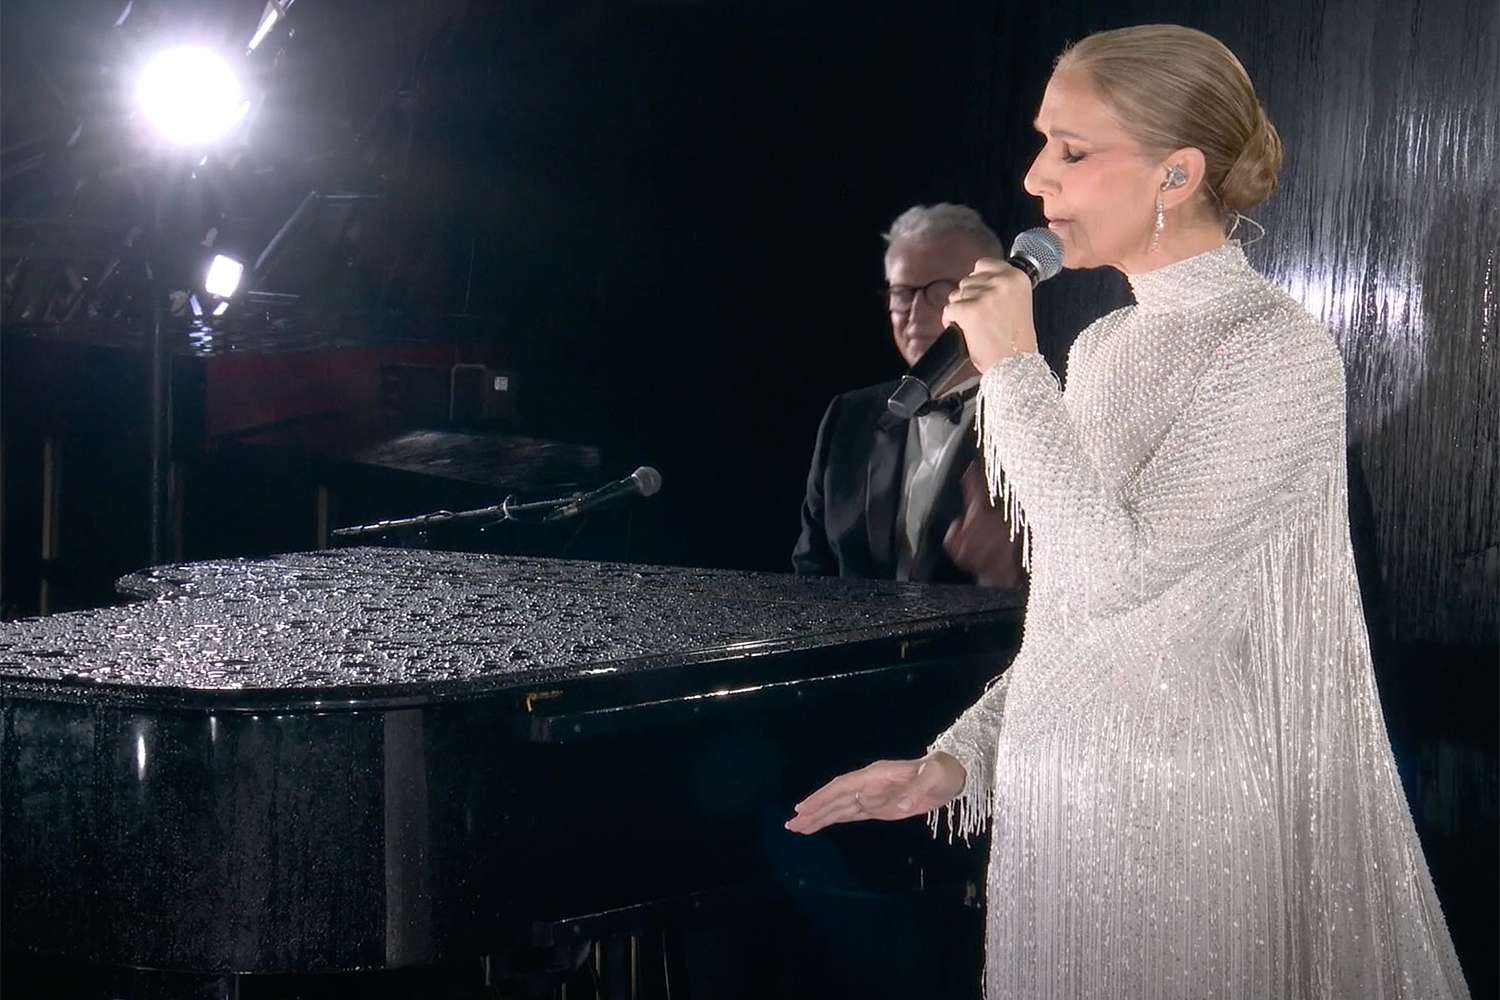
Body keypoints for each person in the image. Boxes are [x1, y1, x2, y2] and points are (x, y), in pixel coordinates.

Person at [787, 24, 1469, 999]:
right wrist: (955, 764)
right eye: (1040, 142)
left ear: (1177, 173)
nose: (1034, 178)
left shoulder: (1275, 352)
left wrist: (1012, 367)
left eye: (1071, 149)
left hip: (1181, 830)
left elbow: (1122, 578)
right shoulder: (1103, 347)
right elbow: (1073, 621)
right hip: (1060, 817)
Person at [792, 203, 1027, 589]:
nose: (915, 315)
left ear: (993, 298)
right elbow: (811, 575)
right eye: (902, 293)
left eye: (943, 292)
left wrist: (1002, 575)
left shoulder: (1040, 423)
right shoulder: (848, 416)